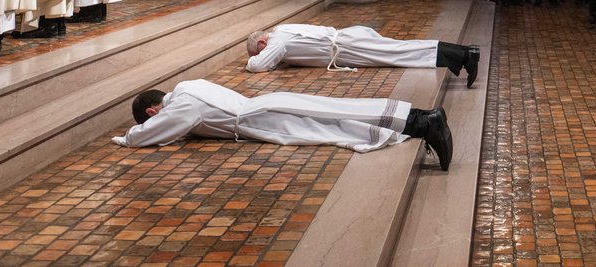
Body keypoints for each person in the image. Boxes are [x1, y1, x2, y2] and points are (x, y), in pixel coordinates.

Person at [115, 79, 454, 170]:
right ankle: (422, 119)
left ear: (150, 111)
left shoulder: (180, 105)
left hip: (262, 120)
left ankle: (424, 125)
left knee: (335, 127)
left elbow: (150, 136)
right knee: (339, 112)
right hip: (262, 106)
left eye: (151, 118)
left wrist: (126, 137)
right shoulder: (189, 86)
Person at [245, 24, 481, 86]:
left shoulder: (278, 39)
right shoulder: (282, 30)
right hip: (348, 44)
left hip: (348, 45)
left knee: (404, 51)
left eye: (261, 49)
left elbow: (258, 66)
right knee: (403, 52)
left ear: (263, 42)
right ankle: (463, 54)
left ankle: (464, 55)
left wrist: (251, 60)